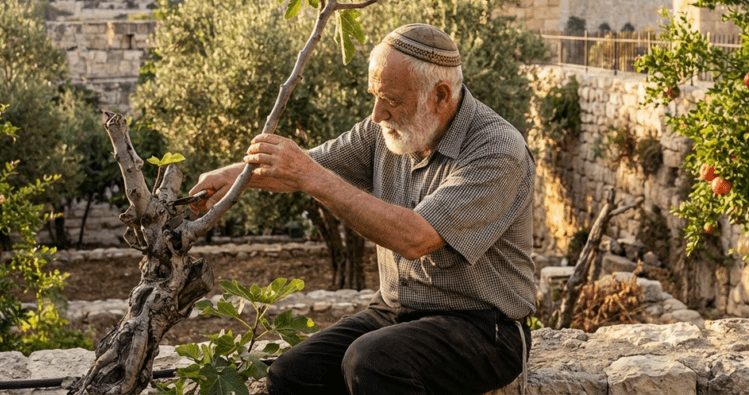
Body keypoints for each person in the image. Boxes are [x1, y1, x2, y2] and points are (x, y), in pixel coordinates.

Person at [189, 23, 537, 395]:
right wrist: (229, 178)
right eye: (375, 96)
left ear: (440, 95)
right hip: (395, 310)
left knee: (372, 361)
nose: (377, 115)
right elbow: (303, 168)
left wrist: (310, 177)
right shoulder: (385, 133)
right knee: (291, 374)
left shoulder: (497, 149)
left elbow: (415, 237)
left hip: (485, 328)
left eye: (391, 100)